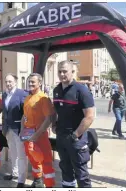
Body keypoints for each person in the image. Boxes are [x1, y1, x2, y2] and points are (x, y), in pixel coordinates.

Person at [52, 60, 95, 188]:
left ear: (72, 72)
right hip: (61, 137)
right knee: (65, 169)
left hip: (77, 139)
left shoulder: (81, 90)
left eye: (65, 71)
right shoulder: (56, 90)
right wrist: (54, 126)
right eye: (59, 71)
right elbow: (55, 111)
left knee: (81, 173)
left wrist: (76, 135)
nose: (62, 74)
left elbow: (90, 116)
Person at [20, 73, 55, 188]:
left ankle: (49, 186)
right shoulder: (28, 98)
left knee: (46, 161)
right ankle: (38, 181)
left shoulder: (43, 98)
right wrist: (22, 131)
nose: (30, 84)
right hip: (28, 135)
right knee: (33, 160)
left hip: (39, 135)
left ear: (39, 83)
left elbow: (49, 118)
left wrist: (37, 134)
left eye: (33, 82)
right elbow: (23, 117)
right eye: (29, 81)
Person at [1, 73, 28, 188]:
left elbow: (26, 112)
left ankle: (21, 180)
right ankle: (15, 173)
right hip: (8, 129)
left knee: (21, 155)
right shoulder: (4, 94)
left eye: (10, 81)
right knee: (13, 153)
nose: (8, 83)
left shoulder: (22, 94)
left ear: (15, 82)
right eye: (6, 81)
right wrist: (3, 127)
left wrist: (24, 128)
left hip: (19, 129)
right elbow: (4, 112)